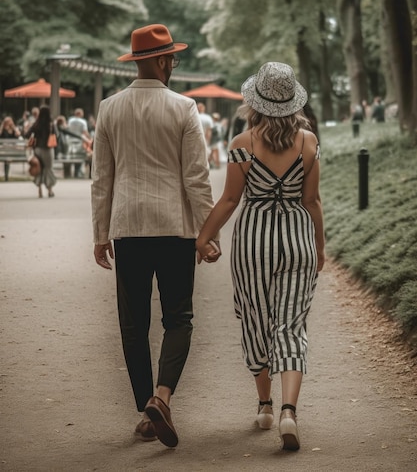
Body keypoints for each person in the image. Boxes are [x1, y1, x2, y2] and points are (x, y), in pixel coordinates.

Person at [91, 23, 219, 448]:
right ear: (163, 61)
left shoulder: (109, 108)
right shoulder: (184, 108)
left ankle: (146, 411)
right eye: (172, 60)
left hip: (128, 227)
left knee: (133, 323)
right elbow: (196, 178)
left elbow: (101, 179)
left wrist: (99, 233)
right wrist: (208, 231)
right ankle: (161, 396)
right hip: (175, 228)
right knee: (178, 317)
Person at [196, 62, 325, 452]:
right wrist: (319, 246)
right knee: (291, 323)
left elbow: (231, 200)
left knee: (256, 319)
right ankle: (289, 411)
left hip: (253, 243)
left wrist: (203, 238)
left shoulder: (242, 144)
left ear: (254, 102)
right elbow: (312, 200)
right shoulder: (309, 143)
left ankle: (265, 405)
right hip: (298, 239)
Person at [25, 105, 57, 198]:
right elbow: (57, 135)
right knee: (48, 169)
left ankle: (39, 191)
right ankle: (50, 191)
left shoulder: (36, 124)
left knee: (39, 168)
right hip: (48, 149)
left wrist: (34, 138)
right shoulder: (51, 124)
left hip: (37, 149)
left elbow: (27, 134)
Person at [67, 108, 90, 177]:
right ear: (80, 114)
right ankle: (77, 174)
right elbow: (85, 132)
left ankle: (69, 174)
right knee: (79, 158)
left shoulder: (70, 120)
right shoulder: (83, 122)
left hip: (70, 141)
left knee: (71, 158)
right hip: (79, 142)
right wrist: (89, 138)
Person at [0, 116, 22, 181]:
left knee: (7, 159)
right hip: (4, 148)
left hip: (11, 148)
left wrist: (14, 128)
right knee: (7, 159)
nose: (10, 123)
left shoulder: (13, 129)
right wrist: (2, 126)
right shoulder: (3, 129)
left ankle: (6, 176)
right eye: (8, 122)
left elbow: (18, 135)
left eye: (10, 122)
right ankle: (6, 176)